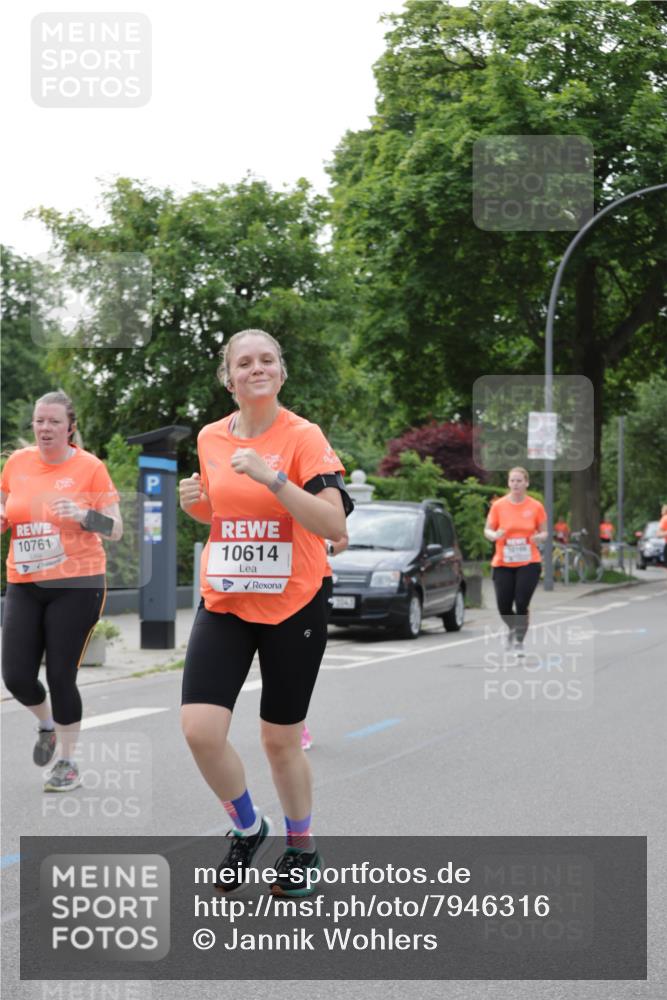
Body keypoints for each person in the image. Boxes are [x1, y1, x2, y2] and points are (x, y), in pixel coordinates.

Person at [179, 329, 351, 897]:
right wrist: (198, 505)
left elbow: (334, 527)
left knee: (279, 740)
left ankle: (303, 848)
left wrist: (274, 477)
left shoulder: (303, 437)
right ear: (228, 380)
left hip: (294, 602)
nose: (257, 368)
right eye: (244, 362)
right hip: (227, 599)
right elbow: (222, 514)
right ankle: (249, 828)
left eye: (268, 359)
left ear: (281, 372)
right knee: (200, 730)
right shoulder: (209, 438)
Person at [1, 391, 122, 792]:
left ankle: (68, 762)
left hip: (77, 583)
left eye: (53, 421)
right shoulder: (16, 464)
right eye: (39, 421)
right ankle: (46, 724)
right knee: (16, 676)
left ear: (70, 427)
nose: (45, 428)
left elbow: (116, 529)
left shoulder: (90, 468)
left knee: (60, 674)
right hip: (25, 581)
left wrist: (86, 516)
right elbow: (4, 510)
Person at [484, 467, 548, 656]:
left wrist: (539, 538)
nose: (516, 484)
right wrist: (494, 535)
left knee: (521, 603)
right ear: (508, 483)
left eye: (519, 480)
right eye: (512, 481)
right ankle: (513, 628)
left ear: (526, 483)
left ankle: (519, 641)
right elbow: (486, 530)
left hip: (529, 562)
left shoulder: (535, 506)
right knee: (504, 606)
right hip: (503, 562)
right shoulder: (499, 506)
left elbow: (545, 531)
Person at [300, 531, 349, 752]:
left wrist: (326, 548)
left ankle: (295, 721)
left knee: (302, 654)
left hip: (318, 577)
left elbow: (342, 537)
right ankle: (290, 722)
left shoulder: (318, 495)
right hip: (280, 579)